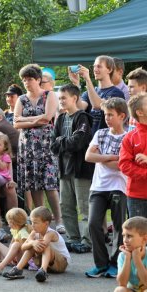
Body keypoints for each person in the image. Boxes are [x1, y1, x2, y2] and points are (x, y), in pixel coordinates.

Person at [14, 64, 64, 233]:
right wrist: (37, 120)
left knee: (50, 185)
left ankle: (58, 220)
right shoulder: (21, 99)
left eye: (30, 79)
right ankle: (41, 221)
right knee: (34, 185)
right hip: (28, 147)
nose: (27, 82)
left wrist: (27, 121)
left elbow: (48, 118)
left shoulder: (49, 95)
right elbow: (15, 123)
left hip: (46, 146)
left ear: (38, 79)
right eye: (24, 80)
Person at [85, 98, 129, 278]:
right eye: (106, 114)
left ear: (122, 116)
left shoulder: (128, 137)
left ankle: (115, 263)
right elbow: (89, 156)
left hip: (119, 186)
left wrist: (101, 157)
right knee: (93, 223)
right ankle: (101, 264)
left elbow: (121, 165)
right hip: (98, 187)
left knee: (119, 226)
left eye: (111, 115)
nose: (107, 118)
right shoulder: (100, 133)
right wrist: (110, 157)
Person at [50, 84, 94, 253]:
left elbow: (78, 142)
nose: (60, 101)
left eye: (63, 98)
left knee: (84, 207)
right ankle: (73, 238)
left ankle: (86, 240)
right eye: (59, 98)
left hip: (81, 169)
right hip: (64, 169)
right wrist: (62, 141)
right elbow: (53, 146)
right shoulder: (60, 119)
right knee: (66, 205)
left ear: (74, 98)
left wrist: (61, 141)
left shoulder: (83, 118)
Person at [3, 206, 71, 282]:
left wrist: (33, 243)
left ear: (46, 223)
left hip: (61, 263)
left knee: (44, 245)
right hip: (46, 262)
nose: (32, 225)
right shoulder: (34, 232)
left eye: (35, 223)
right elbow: (23, 247)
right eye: (31, 222)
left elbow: (42, 247)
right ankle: (18, 269)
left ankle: (43, 270)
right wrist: (32, 242)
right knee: (32, 245)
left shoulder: (50, 233)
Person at [68, 55, 125, 134]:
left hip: (106, 139)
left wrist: (87, 79)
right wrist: (76, 84)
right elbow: (79, 107)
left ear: (109, 69)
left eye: (99, 66)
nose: (95, 69)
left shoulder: (116, 93)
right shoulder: (89, 92)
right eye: (94, 66)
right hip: (90, 139)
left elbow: (97, 105)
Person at [119, 93, 147, 218]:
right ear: (140, 112)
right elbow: (124, 165)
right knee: (138, 234)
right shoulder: (130, 137)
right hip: (137, 195)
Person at [115, 216, 147, 292]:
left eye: (129, 236)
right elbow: (122, 283)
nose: (125, 240)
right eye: (123, 235)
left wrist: (137, 259)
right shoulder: (123, 256)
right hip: (132, 290)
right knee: (119, 290)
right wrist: (127, 258)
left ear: (144, 239)